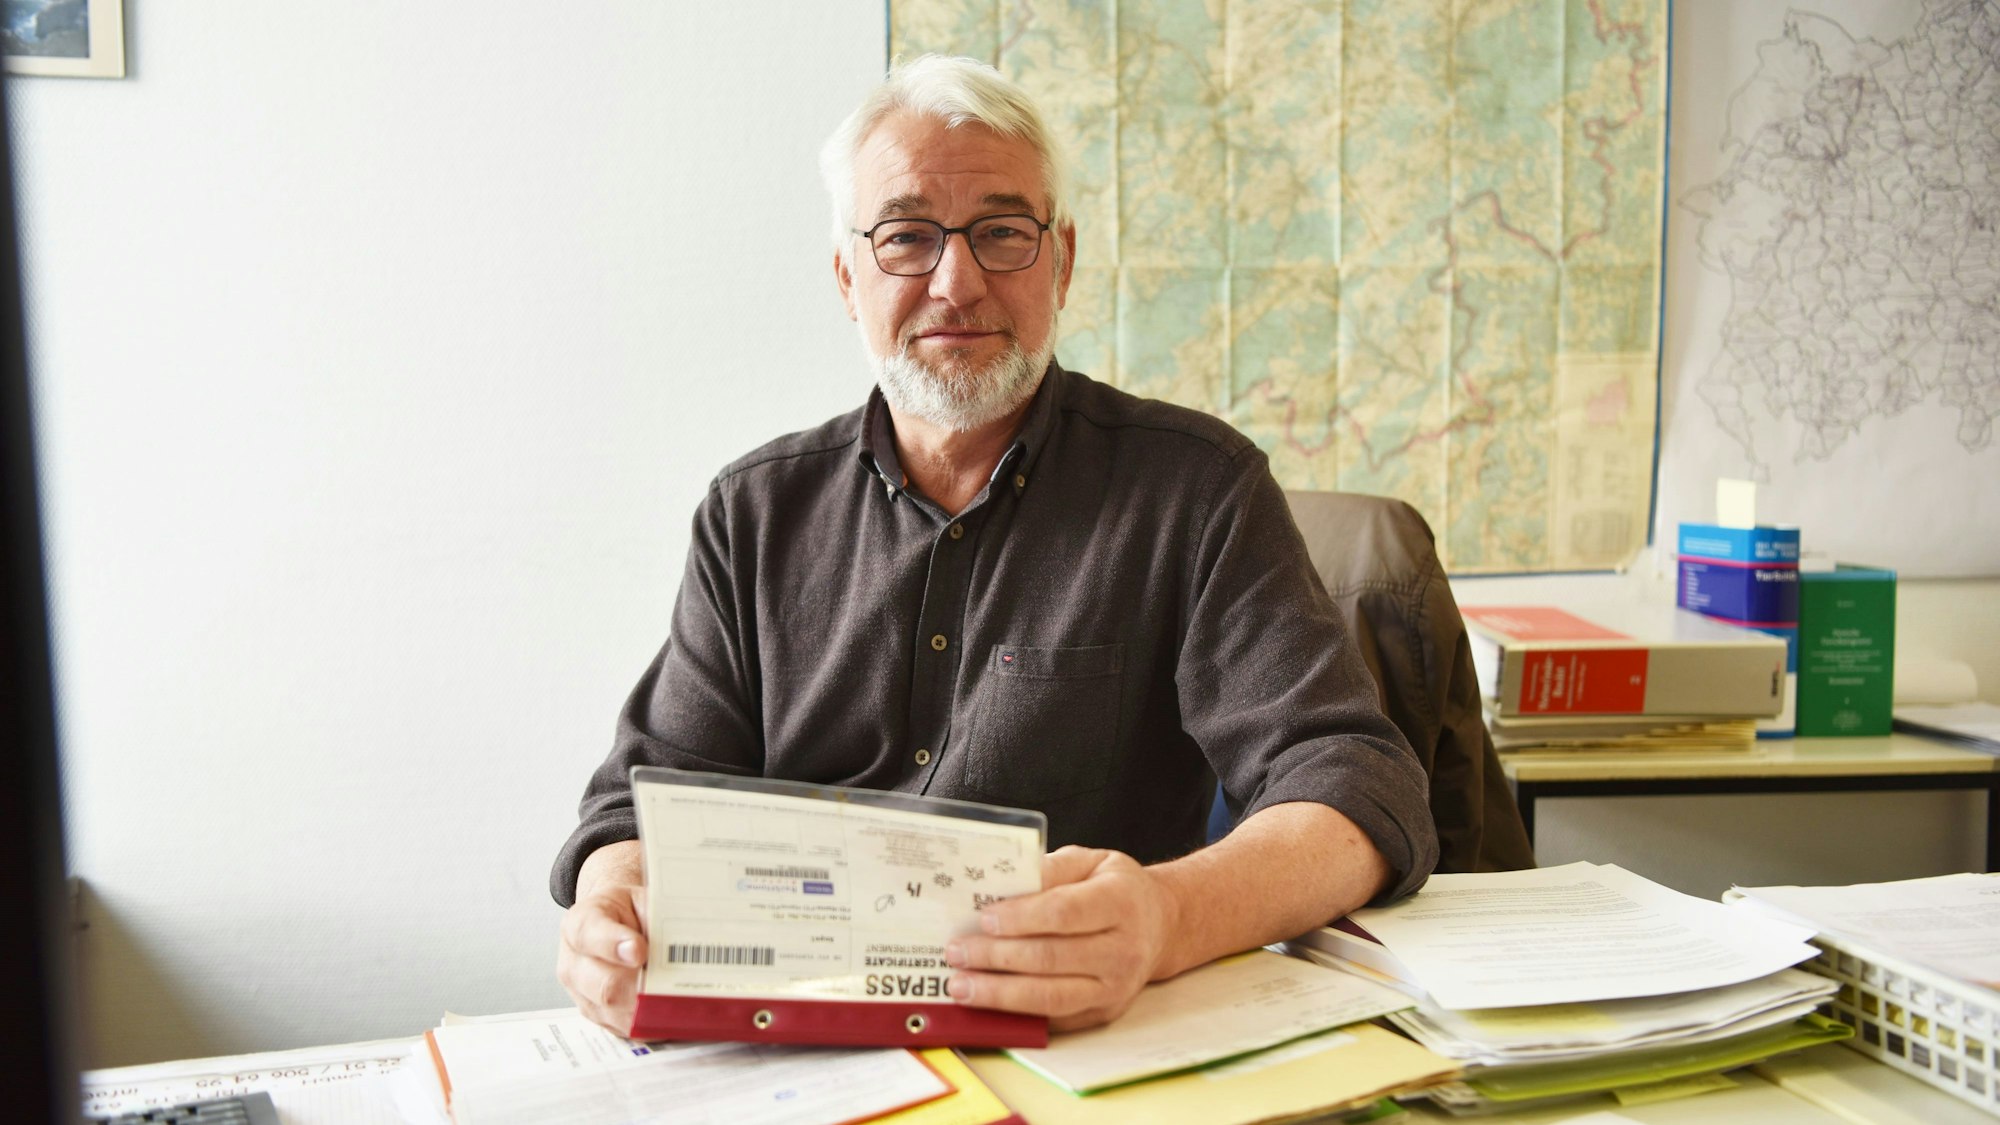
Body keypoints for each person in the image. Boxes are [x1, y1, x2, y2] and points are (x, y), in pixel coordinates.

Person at [552, 55, 1438, 1035]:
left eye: (1002, 235)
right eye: (906, 238)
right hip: (801, 1049)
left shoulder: (1194, 490)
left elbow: (1355, 787)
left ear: (1059, 263)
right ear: (848, 277)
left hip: (1083, 1048)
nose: (956, 280)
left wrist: (1165, 917)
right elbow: (635, 808)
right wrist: (615, 901)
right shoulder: (753, 514)